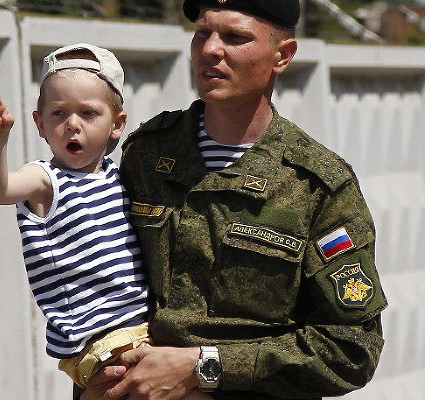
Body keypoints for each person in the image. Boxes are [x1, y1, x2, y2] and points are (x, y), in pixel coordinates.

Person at [79, 1, 388, 399]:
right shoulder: (146, 154)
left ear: (283, 55)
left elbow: (351, 349)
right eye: (202, 33)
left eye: (235, 37)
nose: (210, 49)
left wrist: (203, 366)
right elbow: (92, 276)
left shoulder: (316, 184)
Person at [0, 43, 150, 388]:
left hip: (142, 325)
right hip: (97, 338)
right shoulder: (46, 179)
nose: (72, 124)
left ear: (117, 125)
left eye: (88, 113)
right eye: (59, 114)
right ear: (40, 125)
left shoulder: (118, 177)